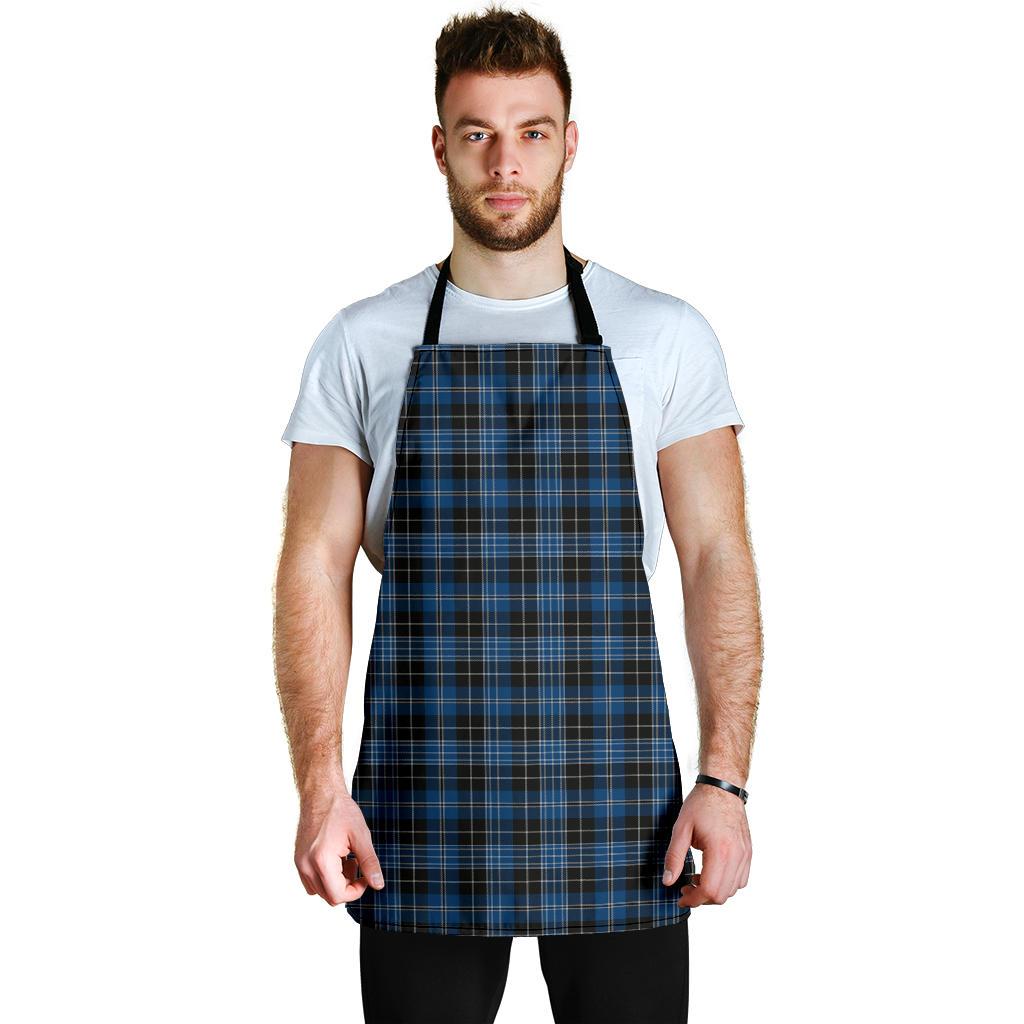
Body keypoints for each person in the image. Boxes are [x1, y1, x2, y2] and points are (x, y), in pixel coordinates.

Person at [273, 6, 762, 1022]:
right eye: (478, 133)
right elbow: (313, 563)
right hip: (418, 805)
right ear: (439, 147)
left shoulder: (665, 333)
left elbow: (717, 554)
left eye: (532, 132)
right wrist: (320, 788)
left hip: (624, 808)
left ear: (570, 142)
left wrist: (724, 781)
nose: (506, 162)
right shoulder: (362, 339)